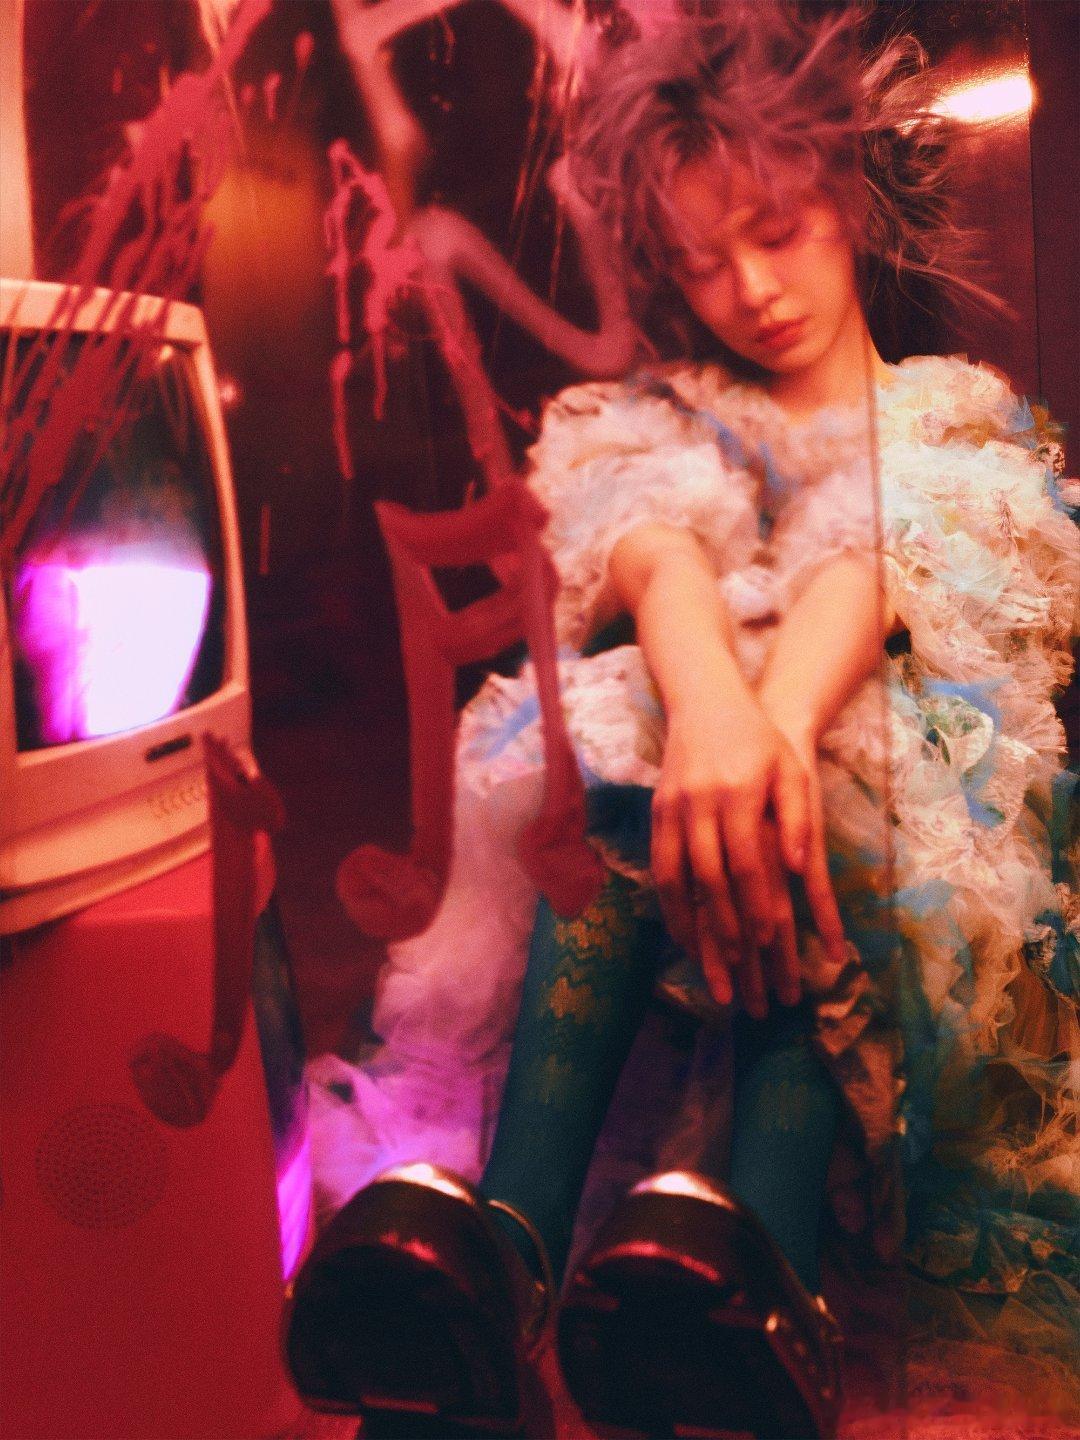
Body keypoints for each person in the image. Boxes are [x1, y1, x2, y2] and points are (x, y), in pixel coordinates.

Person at [288, 5, 1080, 1436]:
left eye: (778, 231)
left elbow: (874, 565)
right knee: (624, 714)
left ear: (847, 197)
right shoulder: (653, 420)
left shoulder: (949, 419)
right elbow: (646, 549)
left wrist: (766, 729)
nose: (752, 291)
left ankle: (747, 1276)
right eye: (704, 262)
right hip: (638, 889)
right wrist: (709, 705)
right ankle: (515, 1256)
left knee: (848, 754)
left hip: (895, 916)